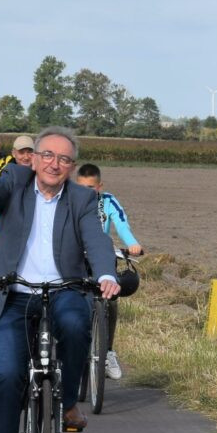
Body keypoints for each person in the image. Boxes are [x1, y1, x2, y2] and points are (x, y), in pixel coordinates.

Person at [0, 123, 120, 433]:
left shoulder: (81, 199)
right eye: (47, 155)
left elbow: (96, 240)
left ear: (72, 165)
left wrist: (107, 274)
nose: (54, 163)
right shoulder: (14, 180)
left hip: (62, 289)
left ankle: (66, 403)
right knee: (7, 374)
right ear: (34, 158)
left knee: (78, 322)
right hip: (13, 293)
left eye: (64, 159)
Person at [74, 163, 144, 380]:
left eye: (92, 187)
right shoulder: (70, 199)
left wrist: (133, 244)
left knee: (111, 299)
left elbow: (121, 224)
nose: (87, 191)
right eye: (83, 187)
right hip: (75, 257)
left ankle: (108, 352)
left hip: (101, 255)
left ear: (100, 186)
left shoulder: (108, 201)